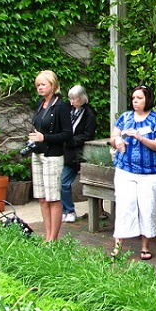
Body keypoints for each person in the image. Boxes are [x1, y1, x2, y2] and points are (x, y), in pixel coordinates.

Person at [109, 85, 156, 260]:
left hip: (150, 173)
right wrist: (117, 141)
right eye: (134, 98)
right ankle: (118, 246)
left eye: (139, 98)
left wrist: (140, 138)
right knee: (124, 207)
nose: (135, 101)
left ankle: (145, 247)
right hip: (125, 170)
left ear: (148, 99)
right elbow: (113, 137)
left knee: (147, 208)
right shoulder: (125, 117)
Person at [28, 70, 72, 242]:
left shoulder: (60, 106)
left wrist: (44, 138)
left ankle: (53, 239)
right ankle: (47, 236)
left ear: (52, 86)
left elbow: (67, 134)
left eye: (43, 84)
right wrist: (34, 138)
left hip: (52, 156)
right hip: (37, 154)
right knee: (42, 198)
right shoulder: (40, 104)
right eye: (38, 85)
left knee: (53, 198)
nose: (39, 87)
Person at [61, 85, 97, 223]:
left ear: (82, 98)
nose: (72, 102)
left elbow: (88, 135)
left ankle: (70, 210)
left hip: (76, 153)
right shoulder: (68, 110)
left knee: (64, 182)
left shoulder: (89, 114)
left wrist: (70, 140)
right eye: (70, 99)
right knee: (60, 183)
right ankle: (65, 210)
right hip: (64, 151)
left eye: (74, 99)